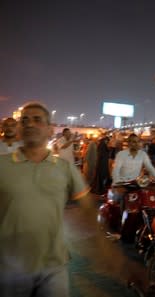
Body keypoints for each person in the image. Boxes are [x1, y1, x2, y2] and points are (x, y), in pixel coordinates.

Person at [0, 102, 90, 297]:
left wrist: (108, 253)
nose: (30, 124)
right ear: (19, 130)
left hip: (53, 264)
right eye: (24, 120)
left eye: (37, 120)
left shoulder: (64, 168)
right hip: (10, 265)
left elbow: (89, 209)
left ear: (50, 130)